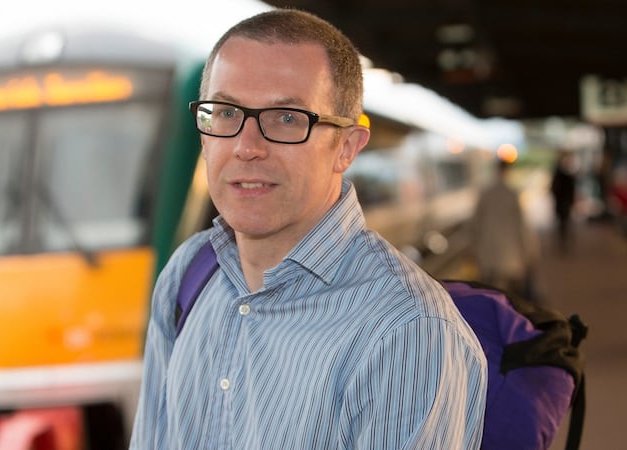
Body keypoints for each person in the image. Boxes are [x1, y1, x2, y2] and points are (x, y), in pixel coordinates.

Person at [130, 9, 487, 449]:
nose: (246, 147)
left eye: (286, 119)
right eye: (225, 112)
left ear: (347, 147)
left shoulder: (408, 331)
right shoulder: (188, 274)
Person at [470, 159, 539, 300]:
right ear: (508, 170)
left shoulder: (485, 194)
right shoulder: (513, 194)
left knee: (490, 295)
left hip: (487, 255)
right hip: (511, 257)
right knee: (510, 299)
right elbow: (521, 228)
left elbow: (474, 226)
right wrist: (531, 252)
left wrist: (474, 250)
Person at [550, 150, 577, 253]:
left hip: (562, 201)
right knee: (563, 222)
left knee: (563, 222)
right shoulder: (564, 176)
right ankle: (564, 239)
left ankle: (563, 239)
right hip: (563, 201)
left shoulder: (563, 175)